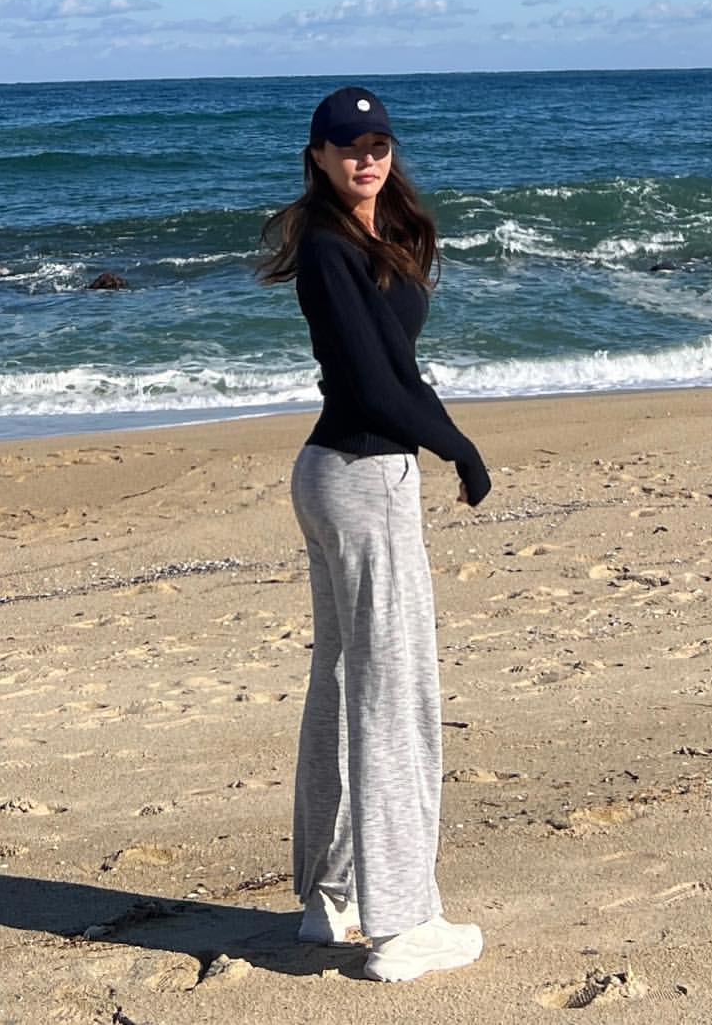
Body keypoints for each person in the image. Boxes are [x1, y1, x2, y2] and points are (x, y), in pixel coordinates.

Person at [256, 84, 492, 982]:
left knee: (345, 680)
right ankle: (403, 923)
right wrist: (458, 447)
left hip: (339, 473)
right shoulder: (327, 246)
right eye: (349, 145)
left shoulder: (366, 238)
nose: (367, 157)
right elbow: (370, 385)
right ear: (317, 155)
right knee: (394, 694)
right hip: (360, 478)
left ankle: (334, 896)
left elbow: (400, 370)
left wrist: (445, 434)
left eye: (378, 143)